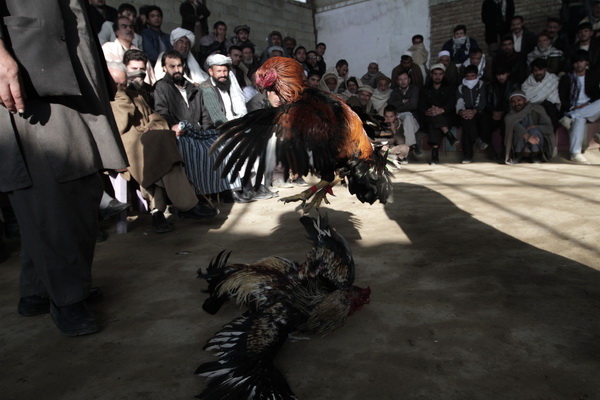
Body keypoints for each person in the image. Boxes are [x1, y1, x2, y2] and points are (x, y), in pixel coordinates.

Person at [0, 1, 127, 336]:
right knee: (54, 190)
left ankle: (37, 290)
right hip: (27, 66)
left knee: (72, 184)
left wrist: (97, 67)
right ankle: (67, 297)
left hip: (68, 66)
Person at [107, 62, 216, 233]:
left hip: (152, 144)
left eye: (124, 84)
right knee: (158, 151)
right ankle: (185, 205)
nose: (122, 87)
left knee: (160, 148)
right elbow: (120, 125)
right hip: (125, 148)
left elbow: (157, 118)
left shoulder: (136, 95)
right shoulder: (108, 100)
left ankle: (158, 211)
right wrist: (120, 96)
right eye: (117, 84)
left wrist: (151, 127)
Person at [154, 50, 242, 199]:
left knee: (221, 142)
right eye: (172, 66)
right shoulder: (161, 87)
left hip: (198, 131)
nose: (177, 70)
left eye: (179, 66)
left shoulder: (192, 87)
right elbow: (161, 112)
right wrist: (173, 126)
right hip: (179, 133)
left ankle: (227, 189)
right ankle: (197, 197)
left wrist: (207, 133)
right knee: (190, 149)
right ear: (164, 68)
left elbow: (206, 115)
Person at [558, 50, 600, 164]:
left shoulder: (593, 75)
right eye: (576, 62)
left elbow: (597, 95)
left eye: (581, 61)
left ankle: (572, 117)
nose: (579, 64)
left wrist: (588, 104)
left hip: (590, 108)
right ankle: (575, 153)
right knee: (579, 120)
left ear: (586, 62)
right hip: (573, 108)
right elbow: (562, 99)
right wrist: (572, 108)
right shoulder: (566, 78)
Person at [419, 63, 458, 164]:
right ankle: (448, 135)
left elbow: (452, 103)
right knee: (433, 118)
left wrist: (442, 110)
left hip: (446, 117)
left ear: (443, 74)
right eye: (435, 74)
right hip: (429, 117)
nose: (437, 76)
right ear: (431, 75)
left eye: (440, 74)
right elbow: (421, 105)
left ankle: (434, 154)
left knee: (435, 122)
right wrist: (427, 111)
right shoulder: (425, 88)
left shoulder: (449, 87)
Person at [504, 91, 556, 164]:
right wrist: (527, 136)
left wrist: (534, 127)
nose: (516, 104)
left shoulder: (537, 109)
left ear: (525, 100)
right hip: (518, 142)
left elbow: (549, 128)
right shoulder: (510, 116)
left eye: (519, 100)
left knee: (534, 131)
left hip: (538, 141)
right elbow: (516, 127)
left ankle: (535, 155)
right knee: (520, 132)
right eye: (513, 101)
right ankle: (517, 155)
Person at [456, 65, 489, 163]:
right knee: (467, 121)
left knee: (469, 124)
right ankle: (477, 140)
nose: (470, 78)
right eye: (468, 76)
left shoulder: (481, 84)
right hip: (465, 111)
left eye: (472, 76)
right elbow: (459, 100)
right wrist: (462, 111)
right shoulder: (461, 86)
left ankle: (467, 156)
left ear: (477, 75)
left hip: (479, 111)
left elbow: (482, 100)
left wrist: (474, 111)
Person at [485, 64, 519, 159]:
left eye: (502, 74)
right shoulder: (491, 86)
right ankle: (491, 151)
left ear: (507, 74)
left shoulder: (514, 85)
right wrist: (493, 112)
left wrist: (502, 113)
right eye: (498, 75)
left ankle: (505, 153)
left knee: (507, 122)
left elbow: (516, 104)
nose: (500, 77)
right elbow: (487, 103)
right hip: (494, 114)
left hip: (507, 113)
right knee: (484, 122)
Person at [387, 72, 422, 157]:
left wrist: (398, 106)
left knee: (408, 116)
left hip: (412, 118)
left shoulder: (414, 89)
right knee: (406, 117)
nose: (403, 81)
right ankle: (413, 145)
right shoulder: (395, 91)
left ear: (409, 80)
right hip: (398, 116)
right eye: (400, 79)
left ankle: (405, 153)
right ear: (397, 81)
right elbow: (390, 105)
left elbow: (413, 105)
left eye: (405, 79)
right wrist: (402, 102)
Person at [521, 58, 561, 130]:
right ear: (532, 71)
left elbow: (555, 96)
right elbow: (526, 99)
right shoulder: (526, 85)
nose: (538, 73)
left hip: (550, 107)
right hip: (533, 108)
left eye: (541, 70)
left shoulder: (553, 79)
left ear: (545, 69)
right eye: (536, 70)